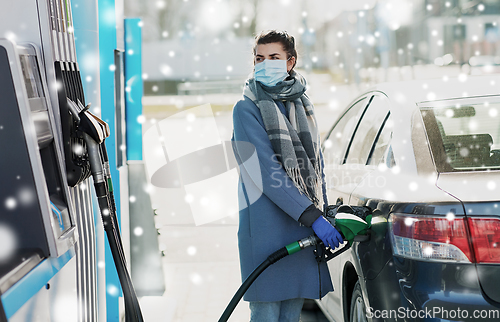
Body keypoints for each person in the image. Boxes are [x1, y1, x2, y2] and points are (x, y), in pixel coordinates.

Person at [231, 30, 344, 322]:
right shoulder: (246, 109)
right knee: (266, 313)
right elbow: (266, 173)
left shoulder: (301, 104)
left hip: (301, 229)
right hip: (267, 230)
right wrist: (313, 217)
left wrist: (325, 211)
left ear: (290, 62)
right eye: (259, 58)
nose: (264, 63)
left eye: (273, 57)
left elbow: (315, 166)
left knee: (291, 315)